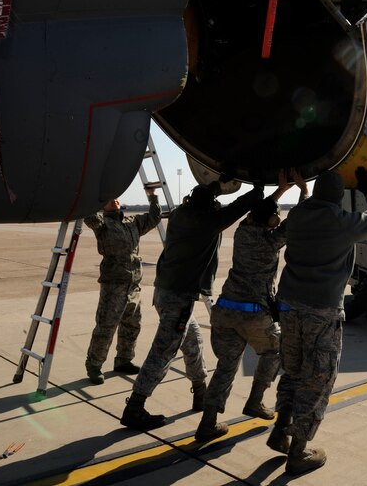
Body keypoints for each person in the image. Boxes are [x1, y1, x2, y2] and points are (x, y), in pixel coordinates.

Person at [268, 167, 367, 476]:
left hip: (289, 306)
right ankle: (299, 451)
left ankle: (281, 429)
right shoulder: (341, 222)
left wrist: (302, 191)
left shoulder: (298, 217)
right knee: (318, 379)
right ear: (338, 197)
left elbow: (297, 214)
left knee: (292, 370)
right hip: (322, 310)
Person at [120, 179, 264, 430]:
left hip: (165, 292)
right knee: (163, 351)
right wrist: (258, 191)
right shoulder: (206, 222)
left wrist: (217, 186)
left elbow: (207, 200)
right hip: (179, 297)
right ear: (208, 208)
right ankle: (135, 406)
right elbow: (235, 210)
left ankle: (201, 393)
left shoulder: (180, 215)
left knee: (194, 340)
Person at [195, 169, 308, 442]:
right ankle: (255, 401)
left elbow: (261, 211)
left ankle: (208, 422)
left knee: (226, 366)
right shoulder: (272, 241)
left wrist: (279, 191)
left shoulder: (243, 232)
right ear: (272, 219)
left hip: (224, 312)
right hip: (254, 314)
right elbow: (297, 219)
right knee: (274, 351)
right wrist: (303, 191)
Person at [83, 186, 162, 384]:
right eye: (108, 200)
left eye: (115, 198)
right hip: (113, 285)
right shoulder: (102, 223)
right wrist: (92, 194)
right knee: (106, 328)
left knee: (132, 325)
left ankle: (124, 360)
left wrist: (152, 196)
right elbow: (88, 215)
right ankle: (94, 365)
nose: (114, 200)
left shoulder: (132, 222)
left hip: (133, 285)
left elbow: (154, 217)